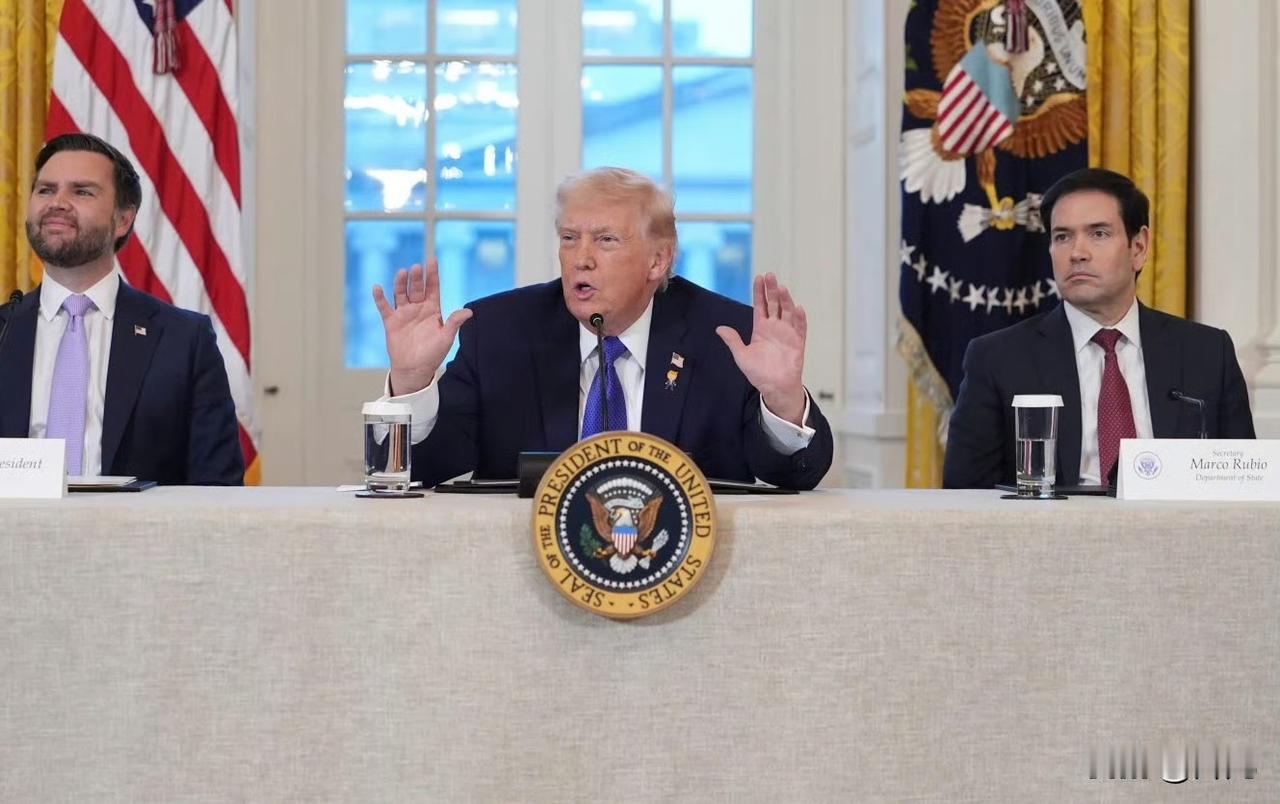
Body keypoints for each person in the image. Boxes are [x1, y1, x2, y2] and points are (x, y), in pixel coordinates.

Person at [370, 167, 833, 489]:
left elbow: (798, 475)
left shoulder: (724, 337)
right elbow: (423, 468)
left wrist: (783, 401)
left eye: (606, 240)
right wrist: (412, 383)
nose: (582, 258)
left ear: (658, 260)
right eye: (570, 238)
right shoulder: (499, 332)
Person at [943, 167, 1255, 489]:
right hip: (1051, 521)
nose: (1077, 253)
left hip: (1174, 519)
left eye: (1099, 234)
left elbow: (1245, 485)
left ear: (1139, 247)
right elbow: (965, 496)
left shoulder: (1207, 353)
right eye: (1062, 237)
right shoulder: (998, 358)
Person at [0, 133, 243, 484]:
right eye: (46, 190)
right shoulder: (5, 331)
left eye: (82, 192)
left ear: (124, 220)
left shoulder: (184, 341)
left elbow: (218, 487)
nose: (58, 203)